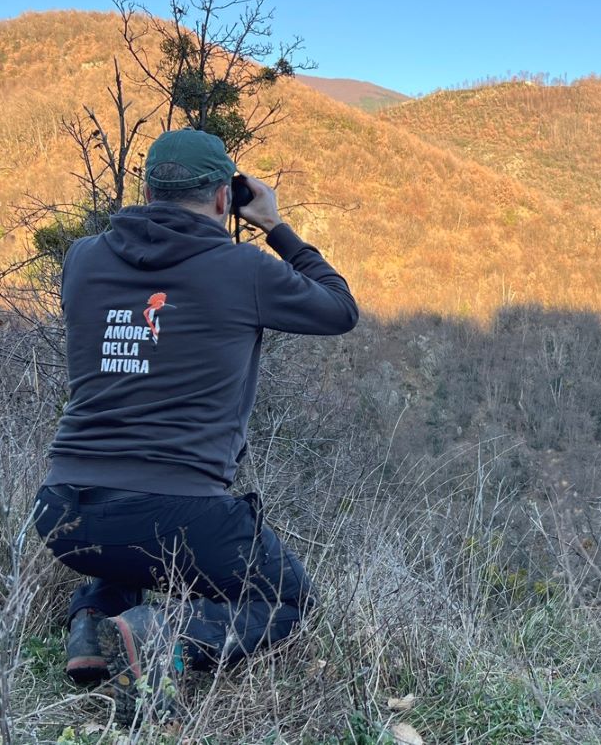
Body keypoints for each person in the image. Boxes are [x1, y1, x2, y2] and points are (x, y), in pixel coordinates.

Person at [33, 128, 358, 722]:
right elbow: (339, 308)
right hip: (178, 511)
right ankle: (163, 638)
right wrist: (275, 226)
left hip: (63, 512)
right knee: (286, 598)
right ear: (221, 198)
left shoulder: (80, 259)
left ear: (150, 190)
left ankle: (92, 625)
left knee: (125, 550)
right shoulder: (243, 269)